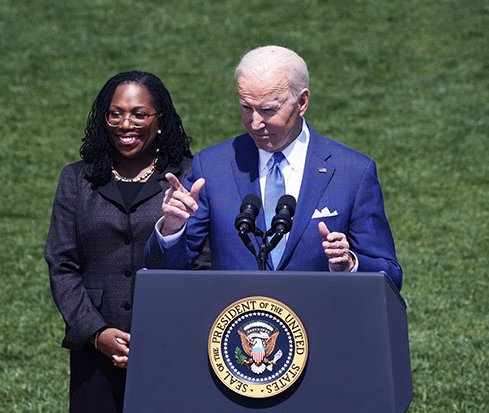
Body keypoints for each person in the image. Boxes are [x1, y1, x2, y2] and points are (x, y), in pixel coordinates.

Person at [144, 45, 402, 290]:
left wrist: (349, 265)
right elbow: (166, 273)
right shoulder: (212, 166)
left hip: (319, 318)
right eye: (246, 107)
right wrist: (172, 228)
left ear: (302, 102)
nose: (255, 123)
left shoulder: (352, 172)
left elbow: (390, 275)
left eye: (268, 110)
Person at [45, 71, 207, 412]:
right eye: (115, 114)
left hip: (173, 345)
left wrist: (167, 331)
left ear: (159, 120)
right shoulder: (76, 179)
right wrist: (95, 333)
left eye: (139, 114)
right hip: (96, 352)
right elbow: (62, 265)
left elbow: (204, 264)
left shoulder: (190, 178)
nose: (125, 124)